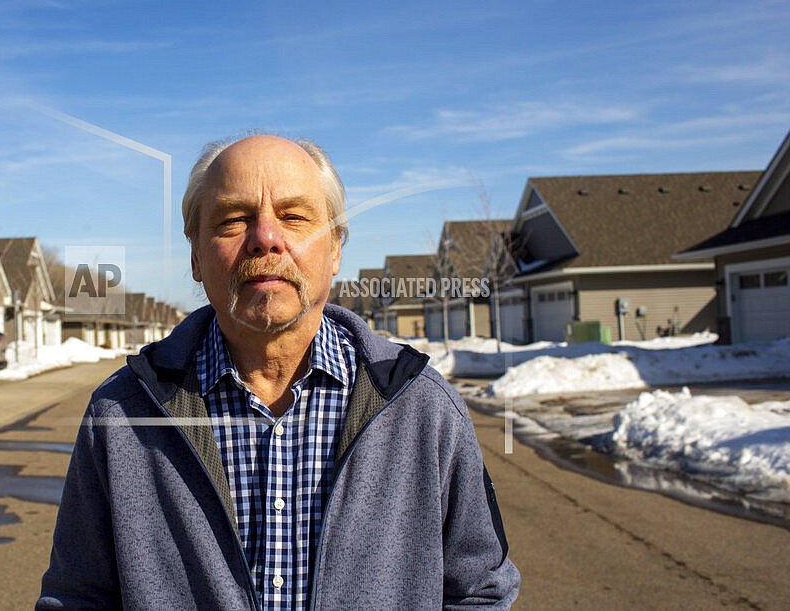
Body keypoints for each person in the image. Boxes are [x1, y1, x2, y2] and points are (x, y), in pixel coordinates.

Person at [37, 134, 520, 610]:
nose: (266, 238)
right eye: (232, 220)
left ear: (335, 249)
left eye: (293, 217)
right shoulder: (122, 415)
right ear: (195, 258)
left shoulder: (424, 408)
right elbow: (78, 597)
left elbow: (479, 590)